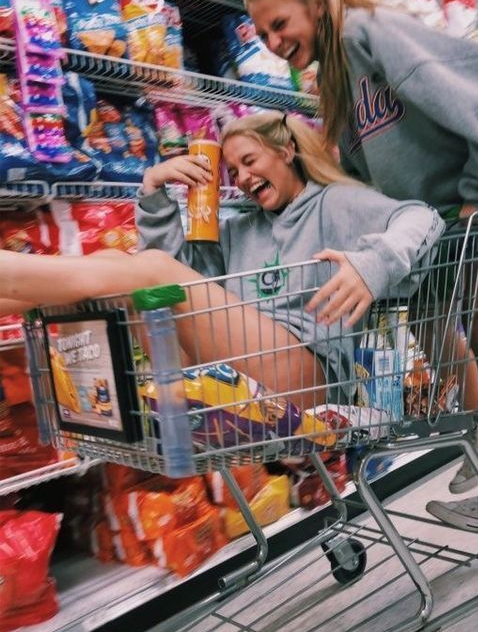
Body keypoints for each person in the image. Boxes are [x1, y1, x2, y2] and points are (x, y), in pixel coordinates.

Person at [244, 0, 478, 544]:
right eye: (262, 32)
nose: (272, 40)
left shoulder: (372, 31)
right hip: (452, 207)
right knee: (423, 310)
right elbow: (369, 182)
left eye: (280, 23)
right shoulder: (338, 78)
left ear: (315, 4)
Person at [0, 111, 443, 417]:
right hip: (242, 366)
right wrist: (154, 191)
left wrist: (374, 264)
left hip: (310, 377)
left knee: (151, 269)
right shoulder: (241, 229)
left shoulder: (335, 203)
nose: (245, 179)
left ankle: (13, 272)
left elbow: (422, 217)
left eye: (250, 162)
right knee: (122, 264)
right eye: (233, 172)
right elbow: (174, 284)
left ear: (287, 150)